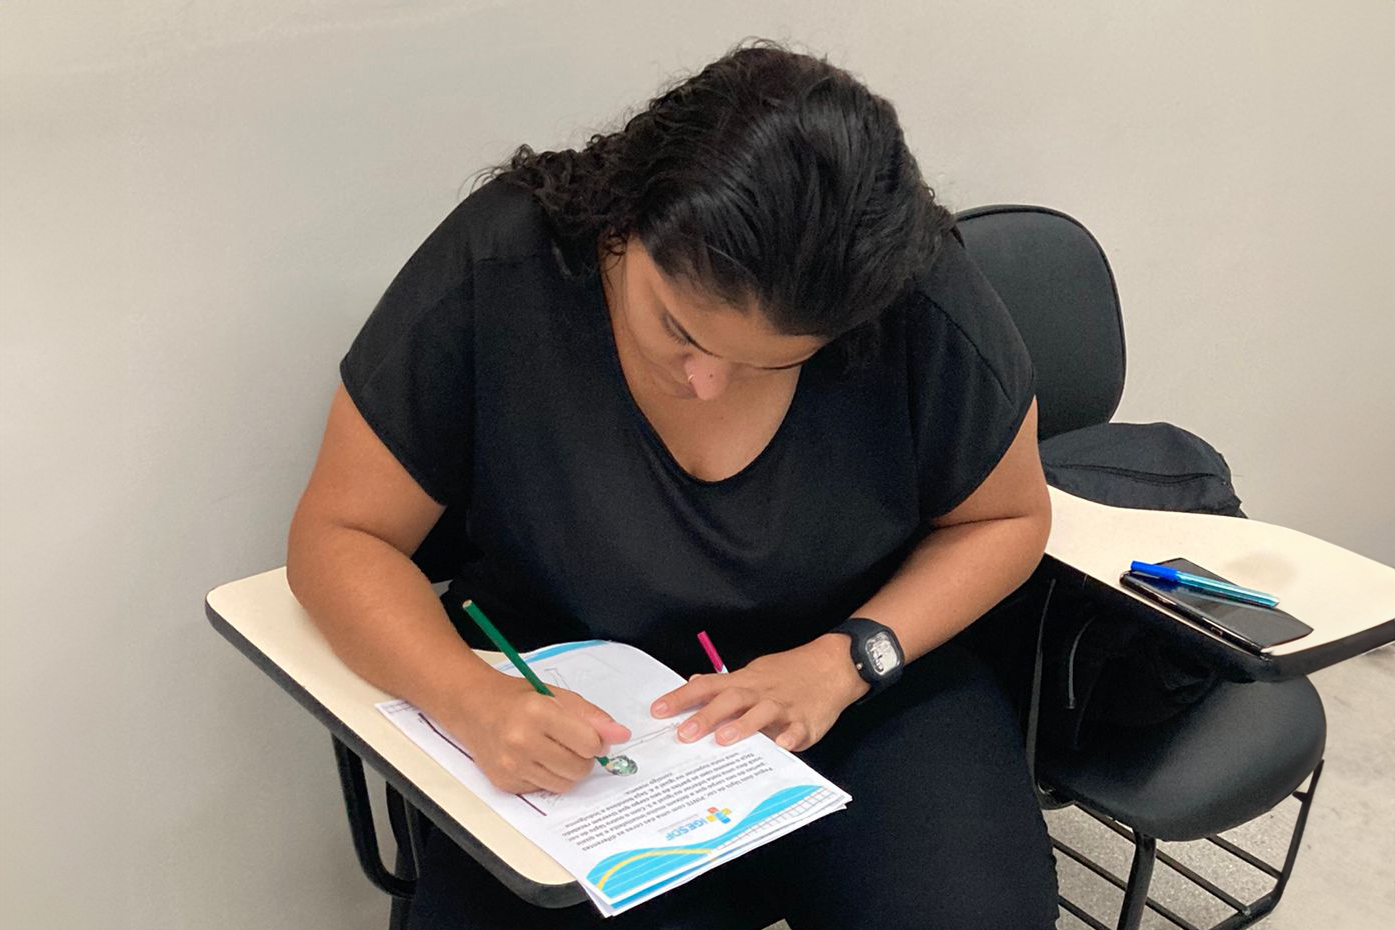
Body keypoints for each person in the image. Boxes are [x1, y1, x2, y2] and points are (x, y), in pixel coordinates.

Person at [287, 39, 1058, 930]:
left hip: (846, 679)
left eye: (769, 362)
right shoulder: (504, 266)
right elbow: (341, 535)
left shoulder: (911, 294)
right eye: (679, 330)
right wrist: (470, 700)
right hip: (565, 708)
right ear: (624, 219)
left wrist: (846, 662)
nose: (705, 383)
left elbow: (1003, 517)